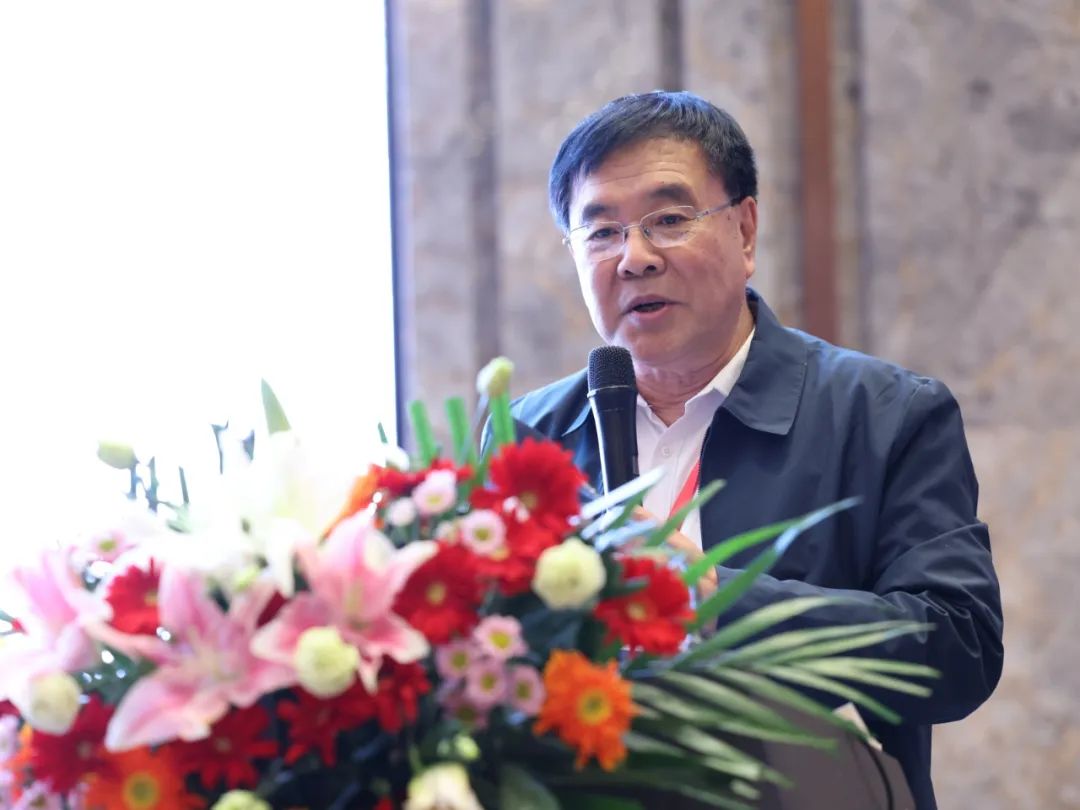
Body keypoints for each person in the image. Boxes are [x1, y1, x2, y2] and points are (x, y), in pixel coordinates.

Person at [511, 91, 1003, 810]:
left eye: (669, 220)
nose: (634, 258)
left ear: (745, 230)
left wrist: (715, 599)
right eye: (602, 232)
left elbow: (959, 649)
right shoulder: (527, 437)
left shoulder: (884, 415)